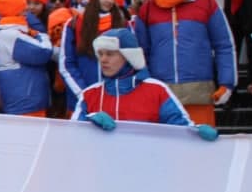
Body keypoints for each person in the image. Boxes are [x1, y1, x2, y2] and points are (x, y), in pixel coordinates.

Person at [133, 0, 236, 126]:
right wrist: (145, 84)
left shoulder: (206, 4)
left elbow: (224, 45)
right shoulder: (148, 10)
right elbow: (141, 53)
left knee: (201, 148)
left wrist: (227, 82)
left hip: (199, 93)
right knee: (167, 150)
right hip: (162, 94)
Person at [72, 28, 219, 141]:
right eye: (101, 54)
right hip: (102, 173)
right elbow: (71, 135)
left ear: (129, 56)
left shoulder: (156, 90)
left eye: (110, 54)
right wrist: (89, 121)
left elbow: (179, 127)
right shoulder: (89, 95)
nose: (103, 60)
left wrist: (196, 133)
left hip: (148, 171)